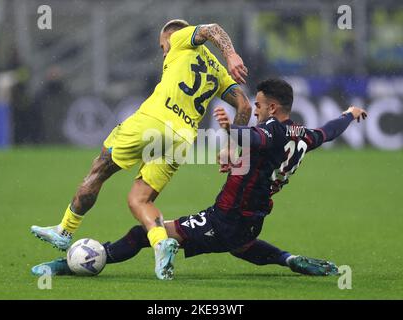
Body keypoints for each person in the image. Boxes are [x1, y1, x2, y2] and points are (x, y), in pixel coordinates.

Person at [31, 78, 368, 279]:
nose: (257, 108)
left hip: (226, 216)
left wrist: (229, 130)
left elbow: (256, 140)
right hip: (253, 219)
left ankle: (74, 263)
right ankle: (289, 259)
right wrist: (349, 115)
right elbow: (327, 132)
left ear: (274, 107)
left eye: (261, 105)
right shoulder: (302, 134)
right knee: (240, 245)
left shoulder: (273, 131)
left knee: (144, 233)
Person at [30, 19, 252, 280]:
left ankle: (65, 231)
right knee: (140, 200)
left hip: (153, 121)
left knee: (99, 168)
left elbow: (212, 28)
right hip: (183, 137)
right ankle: (161, 244)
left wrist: (232, 54)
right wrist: (230, 147)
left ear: (171, 37)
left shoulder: (179, 38)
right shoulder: (217, 73)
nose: (164, 53)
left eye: (162, 47)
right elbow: (245, 107)